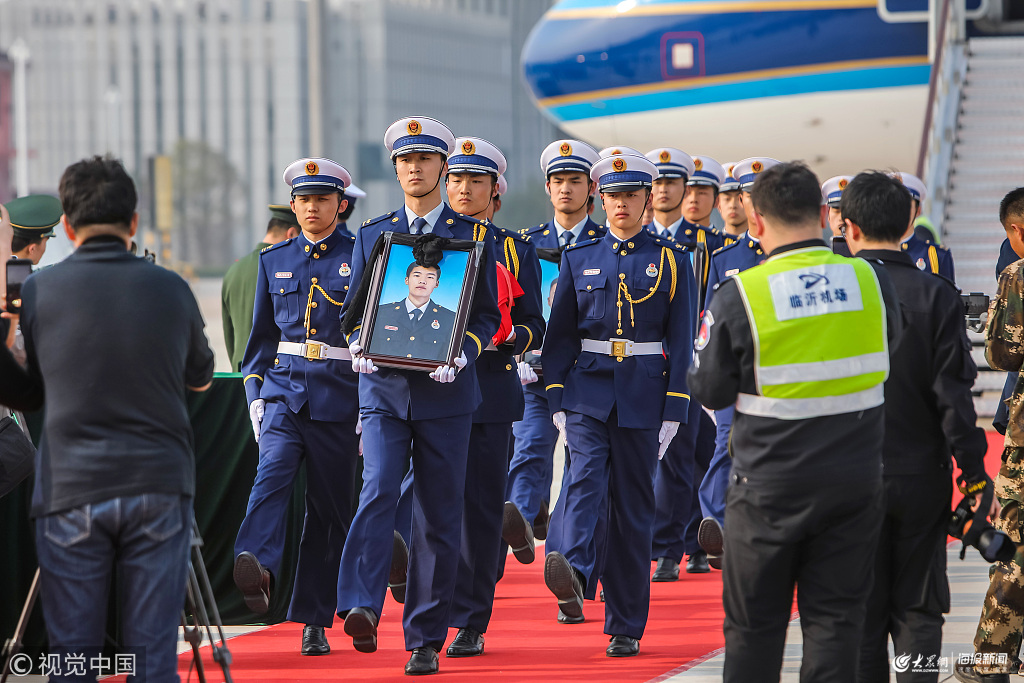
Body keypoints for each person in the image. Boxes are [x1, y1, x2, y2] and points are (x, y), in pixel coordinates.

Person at [688, 161, 902, 683]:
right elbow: (888, 345)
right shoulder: (870, 280)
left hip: (768, 491)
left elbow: (710, 388)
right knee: (836, 626)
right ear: (823, 215)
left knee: (754, 631)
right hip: (854, 484)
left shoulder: (743, 293)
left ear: (756, 222)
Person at [18, 155, 215, 681]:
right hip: (158, 484)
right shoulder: (171, 287)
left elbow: (30, 392)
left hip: (71, 489)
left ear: (65, 226)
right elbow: (200, 376)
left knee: (73, 657)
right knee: (152, 657)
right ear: (133, 223)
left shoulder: (38, 291)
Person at [336, 116, 501, 676]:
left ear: (442, 167)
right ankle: (360, 602)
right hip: (383, 389)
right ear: (396, 168)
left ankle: (425, 636)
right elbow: (350, 313)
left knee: (437, 513)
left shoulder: (476, 236)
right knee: (379, 486)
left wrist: (465, 352)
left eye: (425, 160)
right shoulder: (373, 234)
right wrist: (358, 341)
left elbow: (485, 316)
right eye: (406, 161)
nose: (415, 169)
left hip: (447, 395)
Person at [542, 152, 696, 657]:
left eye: (631, 194)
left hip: (645, 393)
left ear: (646, 198)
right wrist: (557, 395)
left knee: (633, 509)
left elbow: (681, 337)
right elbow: (561, 334)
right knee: (585, 472)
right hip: (587, 388)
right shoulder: (579, 257)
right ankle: (577, 569)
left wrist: (674, 408)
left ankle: (626, 623)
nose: (621, 204)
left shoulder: (673, 259)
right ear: (599, 198)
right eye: (612, 195)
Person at [840, 171, 990, 683]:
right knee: (919, 611)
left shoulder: (832, 295)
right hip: (919, 478)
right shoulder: (938, 294)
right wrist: (974, 474)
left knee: (859, 615)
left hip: (847, 480)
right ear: (910, 223)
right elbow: (954, 396)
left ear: (848, 227)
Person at [234, 157, 361, 656]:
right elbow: (259, 342)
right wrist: (254, 396)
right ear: (293, 205)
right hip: (285, 395)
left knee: (329, 513)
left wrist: (368, 407)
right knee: (271, 477)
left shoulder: (361, 257)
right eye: (304, 199)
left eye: (322, 199)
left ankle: (313, 619)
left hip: (340, 397)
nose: (312, 207)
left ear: (340, 205)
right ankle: (256, 564)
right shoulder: (273, 261)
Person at [441, 136, 545, 657]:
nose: (463, 189)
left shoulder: (515, 248)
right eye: (456, 179)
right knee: (429, 501)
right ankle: (425, 599)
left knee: (480, 510)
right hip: (432, 391)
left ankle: (471, 619)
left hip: (488, 390)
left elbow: (534, 326)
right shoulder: (424, 242)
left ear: (494, 192)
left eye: (475, 181)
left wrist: (506, 336)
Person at [505, 139, 604, 566]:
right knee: (529, 448)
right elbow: (516, 309)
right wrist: (519, 356)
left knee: (582, 463)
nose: (566, 189)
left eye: (575, 181)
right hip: (536, 373)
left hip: (587, 374)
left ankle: (563, 547)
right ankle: (523, 523)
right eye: (558, 181)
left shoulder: (605, 242)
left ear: (592, 190)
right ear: (548, 188)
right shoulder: (526, 244)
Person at [956, 187, 1024, 683]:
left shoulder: (1018, 274)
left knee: (1016, 541)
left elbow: (1002, 355)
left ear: (1015, 230)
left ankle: (993, 657)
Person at [696, 156, 777, 568]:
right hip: (735, 373)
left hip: (781, 373)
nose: (752, 202)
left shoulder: (794, 255)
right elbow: (709, 320)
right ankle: (718, 524)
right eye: (746, 195)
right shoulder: (726, 258)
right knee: (726, 443)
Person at [640, 145, 712, 580]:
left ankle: (673, 545)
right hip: (636, 365)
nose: (664, 190)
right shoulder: (629, 239)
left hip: (686, 362)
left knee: (679, 459)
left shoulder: (705, 246)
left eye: (672, 182)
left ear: (686, 189)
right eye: (658, 183)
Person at [221, 204, 300, 372]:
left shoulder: (234, 270)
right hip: (276, 376)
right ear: (291, 234)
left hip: (241, 373)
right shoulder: (283, 269)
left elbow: (229, 333)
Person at [370, 261, 455, 362]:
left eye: (430, 277)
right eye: (417, 275)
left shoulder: (449, 319)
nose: (422, 281)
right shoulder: (381, 313)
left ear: (437, 283)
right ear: (407, 280)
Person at [890, 171, 955, 281]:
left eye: (905, 205)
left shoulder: (936, 255)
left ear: (918, 210)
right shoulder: (872, 253)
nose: (899, 211)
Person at [717, 163, 748, 237]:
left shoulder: (763, 246)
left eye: (740, 199)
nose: (733, 205)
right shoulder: (709, 246)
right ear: (718, 204)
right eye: (727, 199)